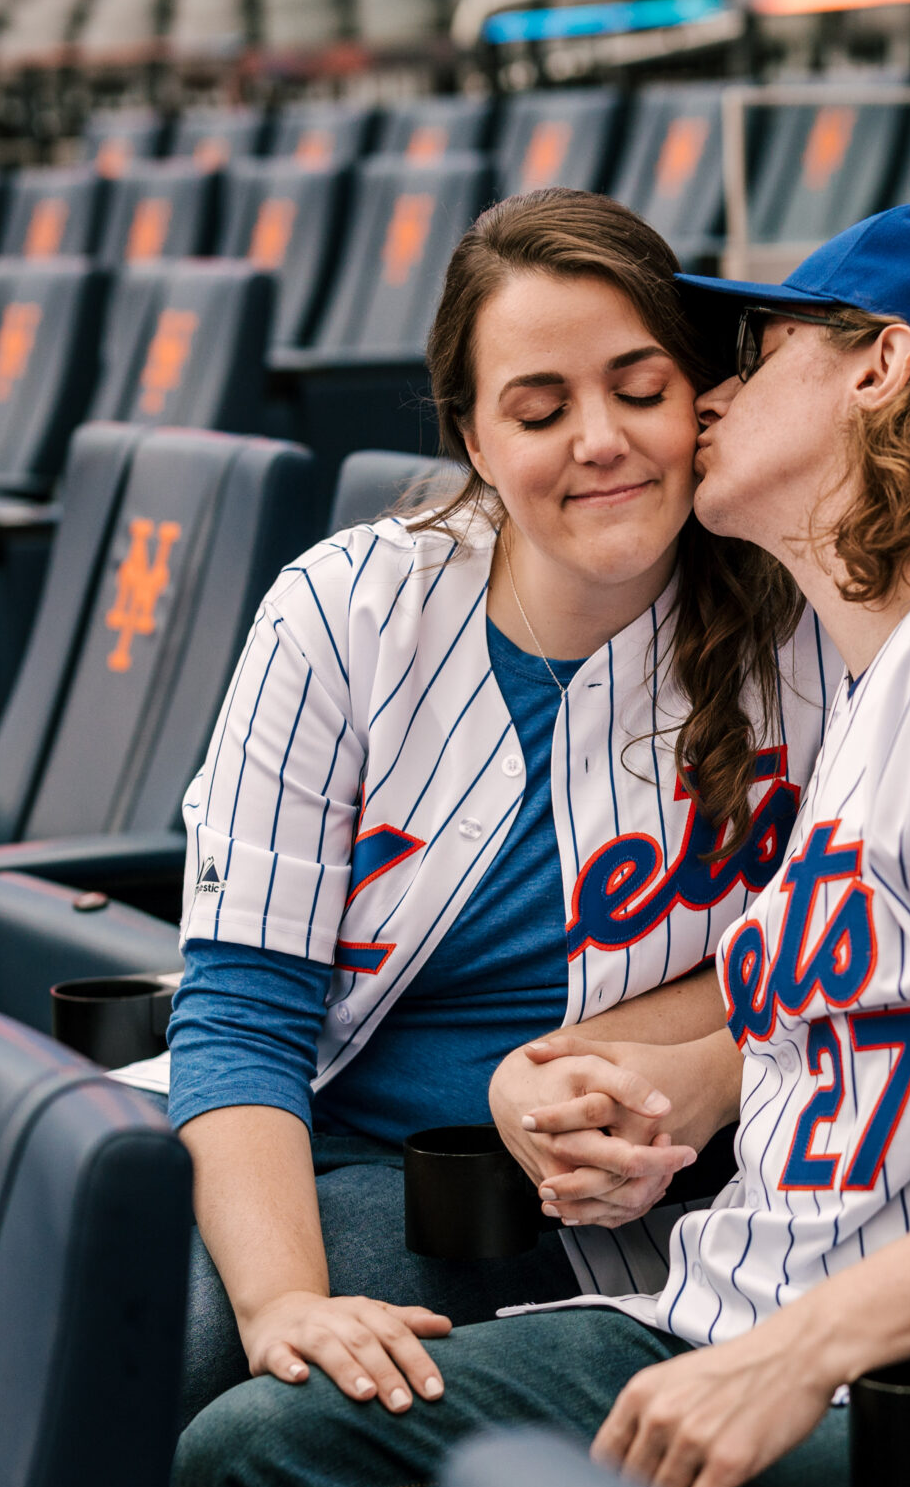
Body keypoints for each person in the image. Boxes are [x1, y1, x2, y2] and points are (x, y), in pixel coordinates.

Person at [172, 205, 910, 1487]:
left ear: (878, 369)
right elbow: (782, 1025)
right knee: (262, 1453)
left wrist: (796, 1353)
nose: (716, 388)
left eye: (760, 350)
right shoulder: (894, 673)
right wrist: (562, 1074)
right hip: (744, 1311)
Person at [165, 188, 831, 1424]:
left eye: (640, 390)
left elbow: (864, 941)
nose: (601, 439)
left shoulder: (807, 626)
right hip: (316, 1136)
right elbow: (241, 1010)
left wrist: (680, 1060)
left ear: (705, 400)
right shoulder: (344, 611)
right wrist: (284, 1304)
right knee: (137, 1306)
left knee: (207, 1376)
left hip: (600, 1207)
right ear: (475, 439)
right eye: (539, 408)